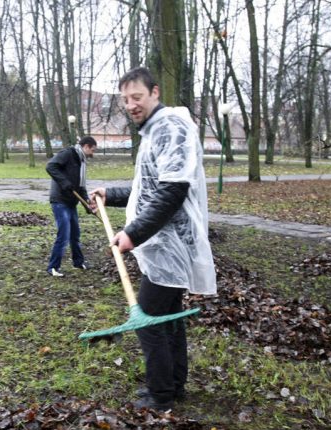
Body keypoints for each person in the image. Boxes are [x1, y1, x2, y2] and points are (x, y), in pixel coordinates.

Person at [92, 67, 216, 411]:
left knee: (147, 319)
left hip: (170, 245)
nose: (131, 105)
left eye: (138, 97)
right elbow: (148, 188)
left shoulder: (170, 128)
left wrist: (133, 233)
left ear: (155, 93)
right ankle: (174, 385)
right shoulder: (154, 132)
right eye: (126, 100)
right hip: (163, 245)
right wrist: (111, 193)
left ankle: (160, 396)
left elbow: (173, 189)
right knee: (169, 318)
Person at [45, 135, 97, 277]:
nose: (93, 154)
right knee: (64, 234)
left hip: (71, 202)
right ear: (86, 146)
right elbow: (50, 166)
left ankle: (78, 262)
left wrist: (87, 204)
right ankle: (53, 267)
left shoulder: (82, 161)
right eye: (92, 150)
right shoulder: (68, 154)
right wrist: (65, 183)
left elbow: (81, 186)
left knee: (75, 234)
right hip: (60, 201)